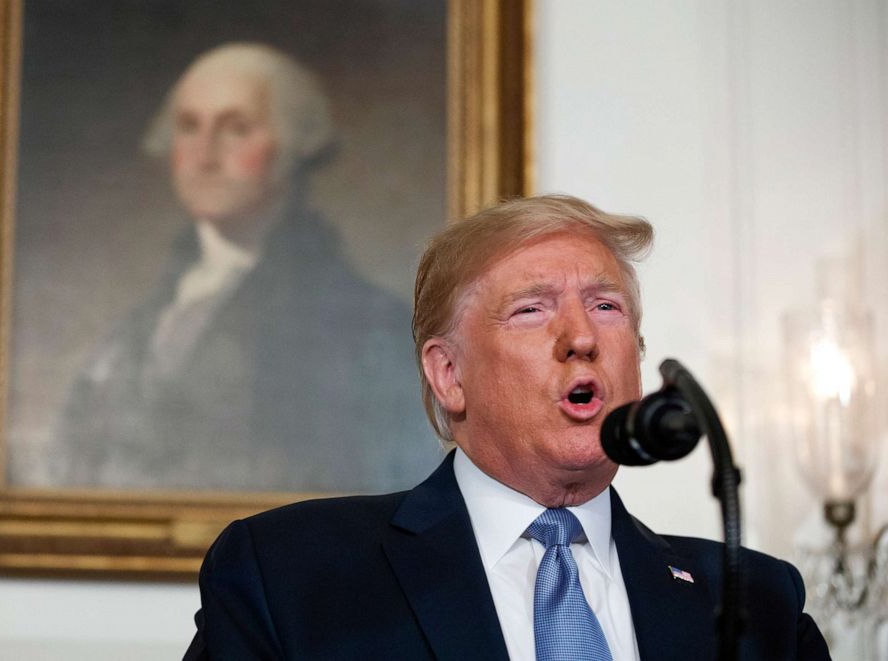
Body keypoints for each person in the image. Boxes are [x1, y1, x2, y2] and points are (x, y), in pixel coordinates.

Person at [183, 195, 831, 660]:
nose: (581, 335)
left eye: (605, 306)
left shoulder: (756, 603)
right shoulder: (290, 573)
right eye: (532, 309)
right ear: (448, 374)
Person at [48, 43, 433, 492]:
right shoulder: (146, 317)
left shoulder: (367, 325)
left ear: (291, 146)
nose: (205, 154)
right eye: (189, 127)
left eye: (236, 129)